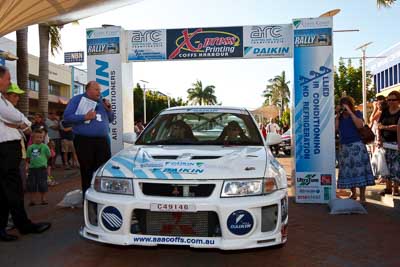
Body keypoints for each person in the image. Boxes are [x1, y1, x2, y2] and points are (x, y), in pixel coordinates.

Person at [0, 68, 51, 242]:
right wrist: (22, 124)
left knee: (6, 191)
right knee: (13, 190)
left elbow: (17, 117)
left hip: (8, 149)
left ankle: (6, 228)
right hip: (5, 150)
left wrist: (22, 123)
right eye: (7, 79)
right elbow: (12, 116)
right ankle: (24, 225)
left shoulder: (2, 100)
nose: (9, 82)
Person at [63, 81, 114, 195]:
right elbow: (67, 117)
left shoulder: (102, 102)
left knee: (102, 169)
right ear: (88, 90)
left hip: (102, 141)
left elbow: (111, 119)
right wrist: (85, 117)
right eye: (96, 89)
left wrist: (109, 109)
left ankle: (103, 196)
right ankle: (87, 197)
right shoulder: (77, 99)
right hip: (84, 140)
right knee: (87, 169)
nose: (99, 92)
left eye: (99, 90)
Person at [335, 96, 375, 203]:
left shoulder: (357, 113)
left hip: (357, 146)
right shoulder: (340, 117)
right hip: (344, 147)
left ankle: (362, 196)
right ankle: (353, 193)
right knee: (348, 171)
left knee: (360, 171)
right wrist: (338, 116)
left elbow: (360, 125)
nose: (344, 109)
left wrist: (350, 112)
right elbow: (335, 129)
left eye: (346, 105)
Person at [377, 91, 400, 196]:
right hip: (385, 142)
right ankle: (388, 188)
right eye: (389, 99)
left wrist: (386, 127)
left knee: (396, 166)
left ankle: (396, 189)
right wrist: (379, 139)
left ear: (398, 100)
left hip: (397, 143)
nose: (390, 102)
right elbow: (379, 125)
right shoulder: (385, 111)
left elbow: (398, 127)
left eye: (393, 99)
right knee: (386, 165)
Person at [26, 129, 51, 206]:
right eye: (37, 137)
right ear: (33, 138)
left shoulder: (45, 147)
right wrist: (28, 166)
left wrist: (44, 163)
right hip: (32, 169)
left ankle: (43, 199)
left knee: (42, 184)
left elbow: (49, 155)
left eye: (40, 137)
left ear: (43, 138)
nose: (38, 139)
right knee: (32, 185)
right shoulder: (30, 147)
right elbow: (28, 158)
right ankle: (32, 200)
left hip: (42, 168)